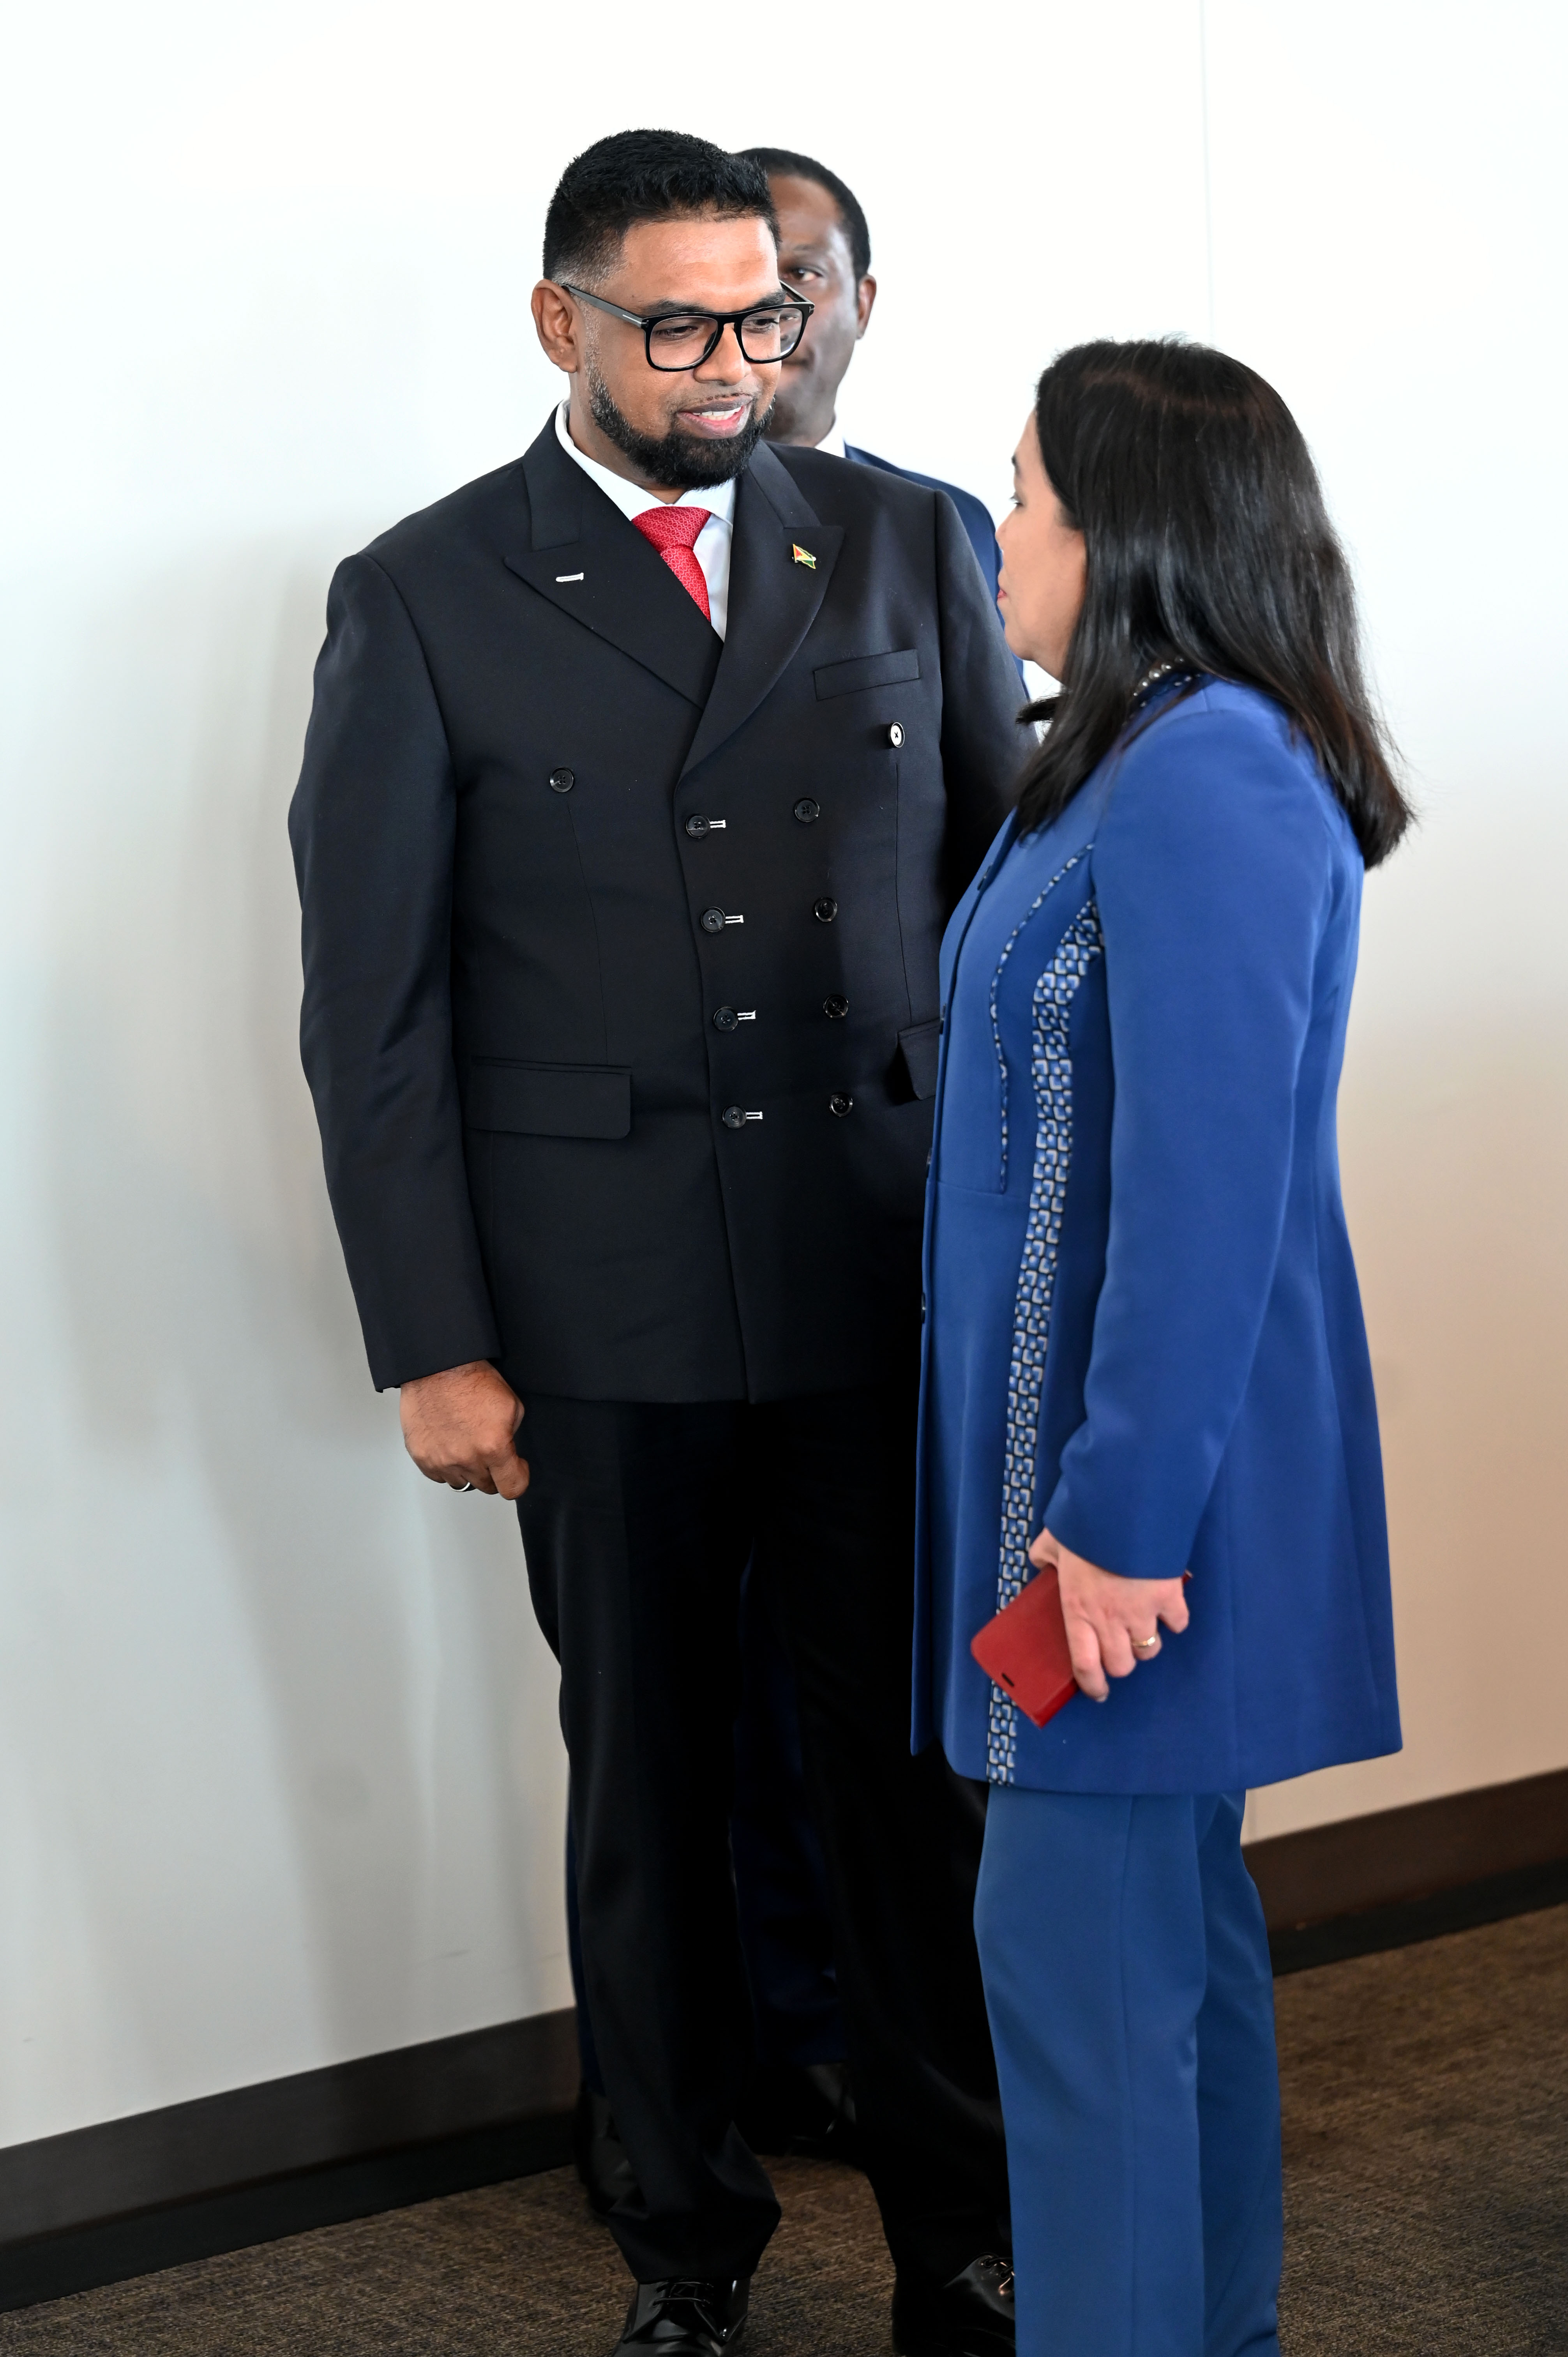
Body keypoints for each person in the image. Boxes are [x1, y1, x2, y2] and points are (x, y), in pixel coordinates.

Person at [290, 131, 1019, 2357]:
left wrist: (1034, 1284)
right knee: (654, 1793)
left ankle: (958, 2233)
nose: (731, 361)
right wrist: (432, 1336)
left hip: (876, 1280)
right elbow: (374, 1011)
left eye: (764, 314)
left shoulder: (908, 538)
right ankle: (685, 2243)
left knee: (906, 1794)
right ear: (561, 324)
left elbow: (1002, 922)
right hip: (594, 1311)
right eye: (680, 323)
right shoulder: (421, 591)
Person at [914, 339, 1410, 2357]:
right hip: (1094, 1501)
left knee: (1086, 1993)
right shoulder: (1137, 749)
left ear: (1121, 531)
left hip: (1122, 1531)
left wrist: (1107, 1530)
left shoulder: (1203, 765)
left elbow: (1207, 1194)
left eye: (1020, 490)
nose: (998, 529)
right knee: (1153, 1975)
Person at [742, 145, 1006, 605]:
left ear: (862, 305)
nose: (772, 313)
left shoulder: (951, 528)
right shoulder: (623, 518)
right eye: (742, 277)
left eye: (802, 273)